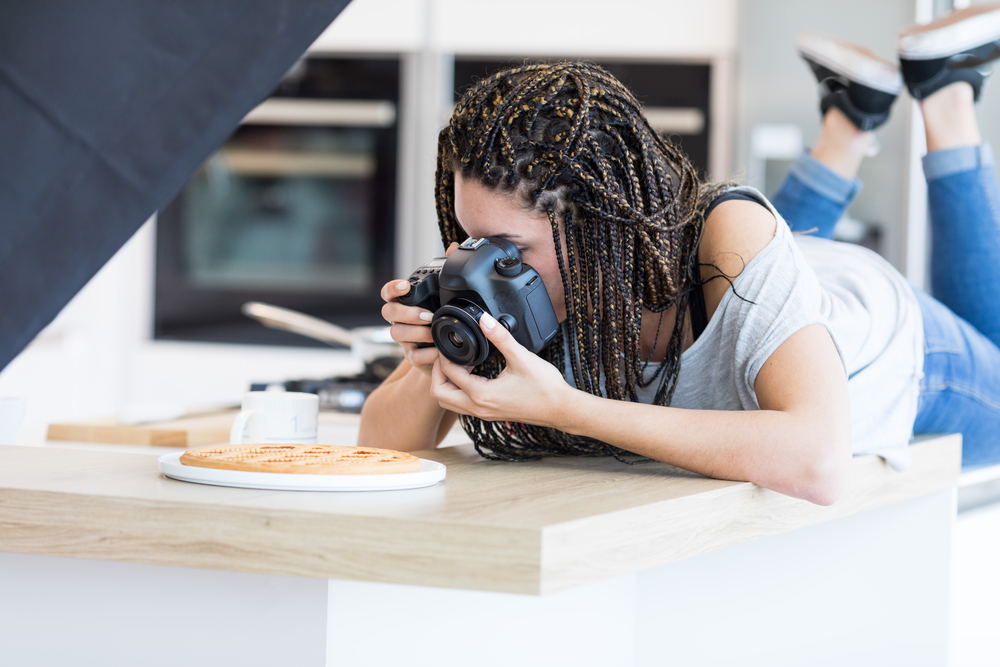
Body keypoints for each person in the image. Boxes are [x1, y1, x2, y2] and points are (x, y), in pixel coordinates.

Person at [359, 4, 1000, 505]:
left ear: (601, 227)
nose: (480, 263)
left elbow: (818, 461)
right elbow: (377, 448)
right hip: (767, 277)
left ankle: (944, 97)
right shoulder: (533, 280)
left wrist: (566, 407)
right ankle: (851, 120)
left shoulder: (728, 238)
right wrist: (433, 356)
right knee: (743, 272)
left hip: (876, 332)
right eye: (470, 238)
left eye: (510, 248)